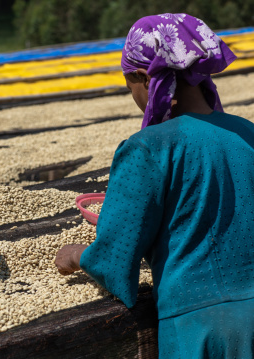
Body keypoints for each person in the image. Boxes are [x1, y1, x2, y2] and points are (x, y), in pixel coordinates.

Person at [54, 13, 254, 358]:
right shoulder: (246, 132)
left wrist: (76, 256)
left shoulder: (147, 148)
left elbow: (115, 258)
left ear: (142, 77)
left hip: (203, 328)